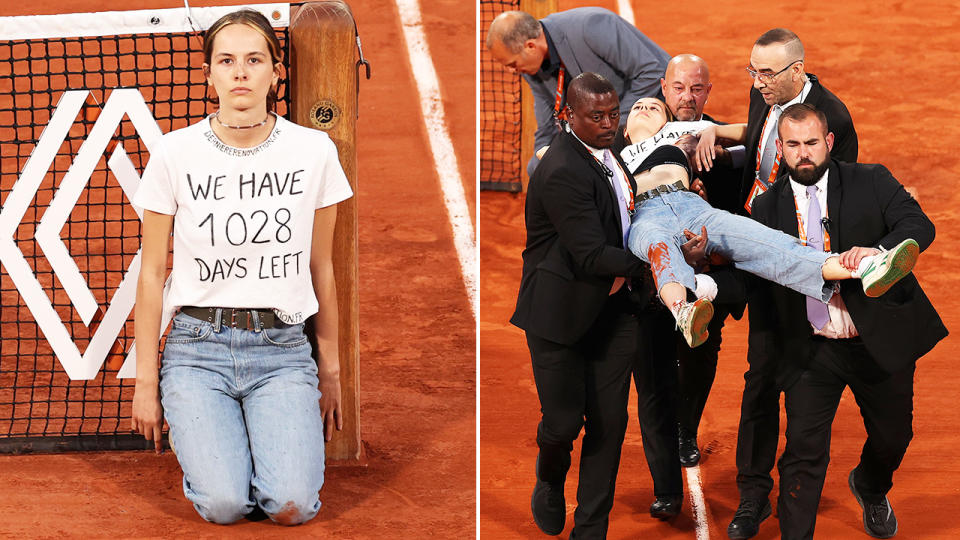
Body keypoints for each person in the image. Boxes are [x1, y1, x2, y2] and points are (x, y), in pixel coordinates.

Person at [130, 9, 352, 525]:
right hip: (195, 350)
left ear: (275, 73)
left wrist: (332, 372)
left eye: (254, 60)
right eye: (226, 60)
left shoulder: (313, 152)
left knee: (292, 507)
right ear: (209, 75)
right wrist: (145, 384)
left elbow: (323, 268)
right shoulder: (173, 153)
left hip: (283, 351)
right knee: (225, 505)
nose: (240, 72)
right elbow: (150, 273)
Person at [750, 103, 947, 540]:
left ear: (829, 143)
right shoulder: (765, 209)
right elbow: (755, 279)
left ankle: (870, 485)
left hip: (875, 341)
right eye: (794, 145)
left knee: (893, 437)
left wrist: (880, 252)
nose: (804, 153)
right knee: (802, 451)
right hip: (811, 349)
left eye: (812, 143)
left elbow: (919, 225)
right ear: (779, 149)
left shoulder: (870, 180)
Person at [618, 97, 918, 349]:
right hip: (644, 215)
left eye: (655, 107)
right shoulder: (610, 156)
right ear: (625, 132)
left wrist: (715, 132)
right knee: (660, 249)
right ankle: (683, 312)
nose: (644, 108)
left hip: (691, 207)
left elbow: (756, 133)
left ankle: (866, 267)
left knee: (769, 244)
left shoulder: (681, 131)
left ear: (668, 121)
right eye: (637, 107)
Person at [511, 72, 669, 539]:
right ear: (567, 116)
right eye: (595, 116)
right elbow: (592, 254)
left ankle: (590, 530)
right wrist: (663, 259)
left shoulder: (608, 153)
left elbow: (623, 214)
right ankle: (550, 476)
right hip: (559, 315)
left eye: (612, 115)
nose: (607, 124)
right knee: (563, 423)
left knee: (610, 424)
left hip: (615, 311)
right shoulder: (562, 170)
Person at [728, 28, 859, 540]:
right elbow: (758, 155)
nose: (758, 82)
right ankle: (753, 494)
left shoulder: (834, 118)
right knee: (759, 376)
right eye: (753, 71)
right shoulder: (767, 96)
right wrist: (717, 135)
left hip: (807, 267)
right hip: (759, 254)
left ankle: (807, 491)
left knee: (804, 376)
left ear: (797, 71)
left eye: (768, 73)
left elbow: (835, 196)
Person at [658, 53, 746, 467]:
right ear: (663, 87)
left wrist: (706, 252)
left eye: (696, 89)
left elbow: (739, 218)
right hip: (653, 273)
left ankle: (685, 431)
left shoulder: (725, 145)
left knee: (702, 349)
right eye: (679, 87)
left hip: (710, 274)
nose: (687, 97)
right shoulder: (639, 140)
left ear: (708, 91)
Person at [486, 8, 670, 178]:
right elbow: (547, 126)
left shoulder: (590, 27)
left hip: (651, 113)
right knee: (538, 168)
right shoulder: (531, 68)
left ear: (531, 46)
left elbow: (652, 73)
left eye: (512, 64)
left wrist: (608, 126)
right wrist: (542, 163)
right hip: (603, 129)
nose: (513, 71)